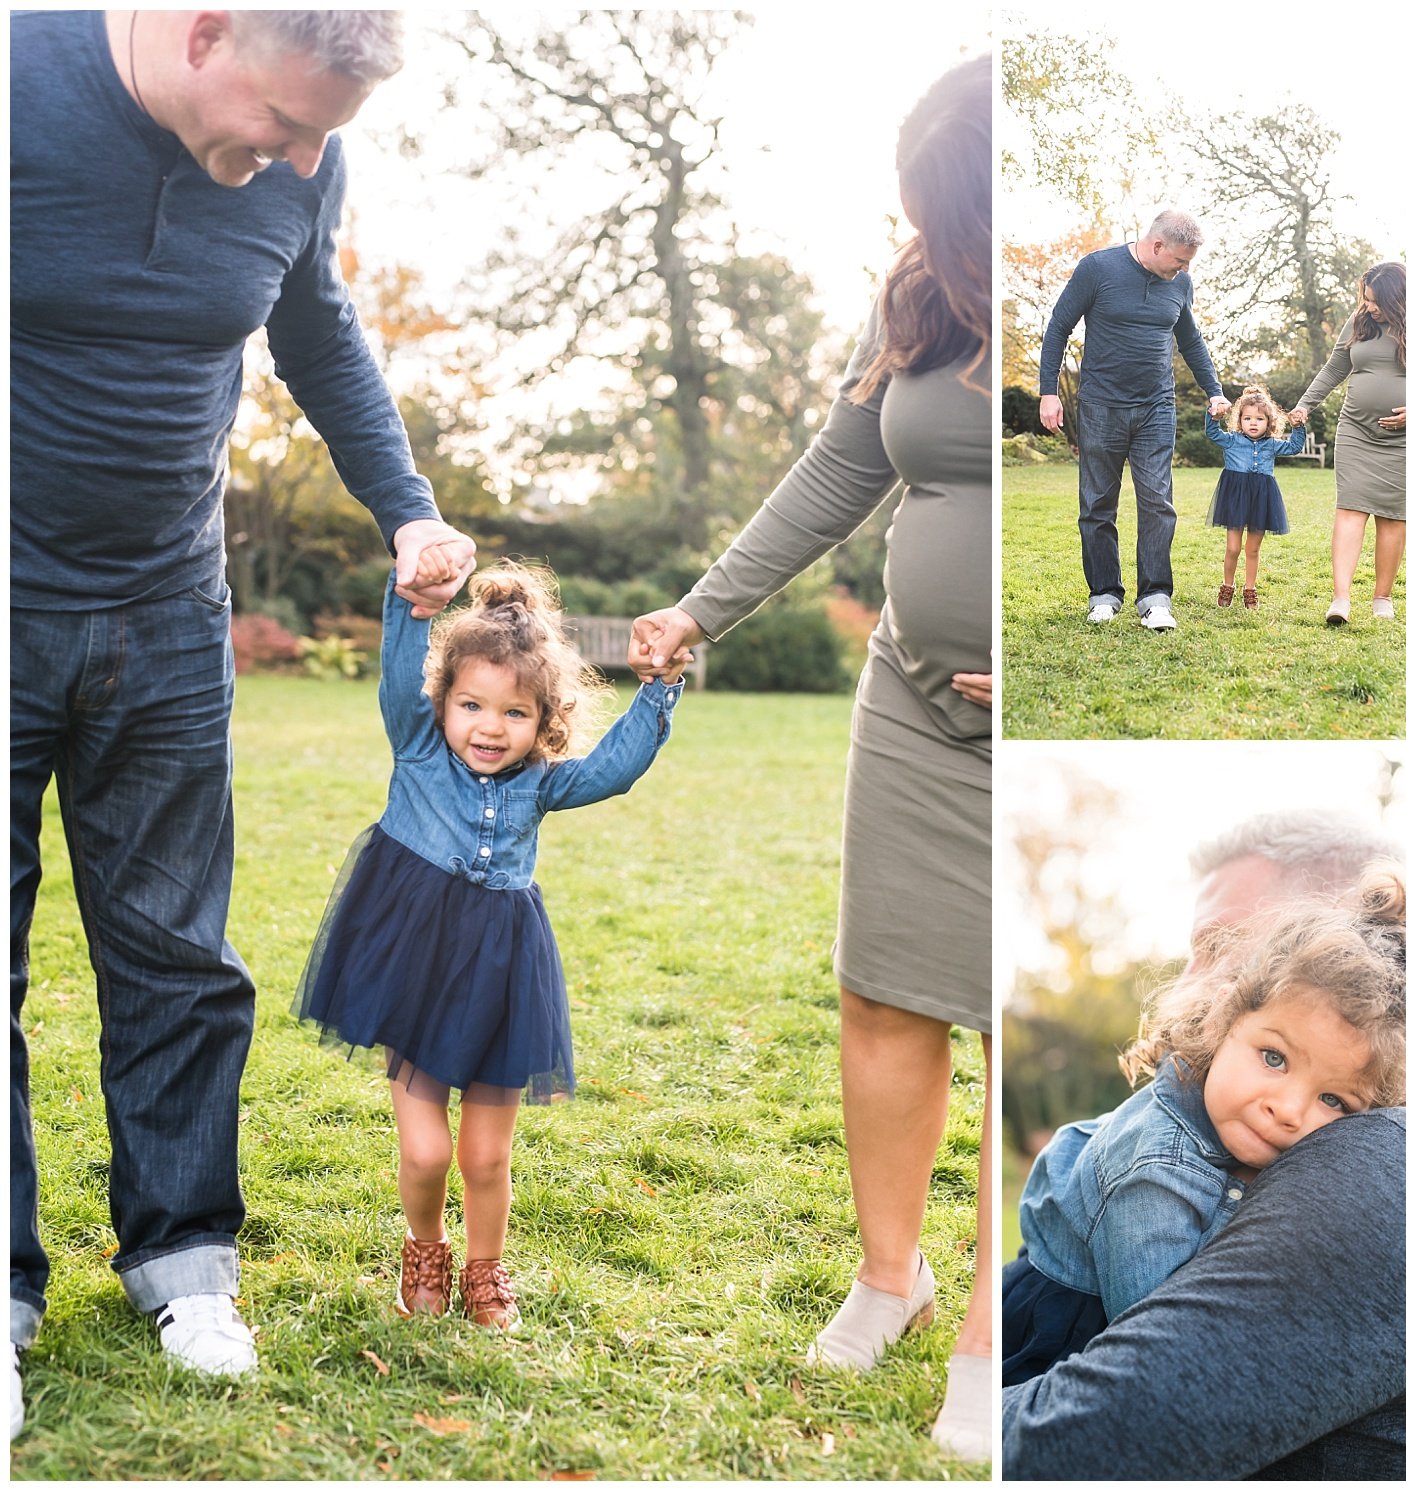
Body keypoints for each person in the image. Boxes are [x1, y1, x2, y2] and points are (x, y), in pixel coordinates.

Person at [10, 9, 477, 1436]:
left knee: (174, 945)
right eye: (286, 123)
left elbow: (317, 324)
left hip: (166, 604)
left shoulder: (299, 158)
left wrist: (407, 504)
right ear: (206, 30)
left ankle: (184, 1260)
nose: (301, 156)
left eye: (326, 137)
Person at [630, 53, 992, 1462]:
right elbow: (844, 467)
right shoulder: (919, 292)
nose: (934, 239)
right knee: (886, 992)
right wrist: (700, 602)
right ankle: (889, 1277)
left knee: (1019, 1014)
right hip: (910, 697)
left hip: (1046, 725)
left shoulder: (1076, 310)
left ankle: (988, 1327)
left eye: (949, 213)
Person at [1001, 810, 1406, 1479]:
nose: (1193, 978)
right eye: (1276, 1057)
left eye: (1222, 942)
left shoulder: (1394, 1172)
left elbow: (1132, 1410)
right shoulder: (1162, 1158)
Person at [293, 560, 684, 1329]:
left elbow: (614, 769)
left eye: (514, 713)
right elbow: (400, 664)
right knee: (429, 1152)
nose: (488, 727)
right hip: (411, 964)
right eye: (471, 704)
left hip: (501, 972)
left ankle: (484, 1270)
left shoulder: (539, 784)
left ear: (544, 723)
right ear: (443, 703)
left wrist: (659, 688)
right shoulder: (416, 747)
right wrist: (412, 600)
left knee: (483, 1157)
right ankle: (426, 1250)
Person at [1039, 210, 1231, 631]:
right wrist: (1048, 391)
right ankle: (1104, 594)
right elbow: (1058, 327)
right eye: (1180, 261)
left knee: (1158, 502)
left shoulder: (1179, 283)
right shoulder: (1098, 268)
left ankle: (1155, 597)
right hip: (1101, 405)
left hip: (1156, 407)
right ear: (1156, 245)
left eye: (1188, 264)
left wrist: (1214, 389)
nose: (1184, 270)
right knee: (1096, 505)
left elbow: (1190, 340)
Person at [1288, 262, 1406, 625]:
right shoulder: (1360, 321)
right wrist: (1305, 404)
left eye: (1376, 300)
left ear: (1399, 299)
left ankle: (1382, 598)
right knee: (1350, 509)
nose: (1369, 306)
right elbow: (1335, 368)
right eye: (1365, 299)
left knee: (1393, 517)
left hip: (1405, 439)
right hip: (1356, 431)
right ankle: (1341, 599)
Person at [1204, 386, 1304, 609]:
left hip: (1261, 498)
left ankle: (1250, 589)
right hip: (1235, 497)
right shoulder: (1231, 440)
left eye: (1259, 418)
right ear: (1240, 420)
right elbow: (1212, 433)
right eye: (1247, 418)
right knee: (1232, 548)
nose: (1253, 422)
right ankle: (1227, 585)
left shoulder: (1271, 445)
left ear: (1269, 422)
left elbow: (1295, 447)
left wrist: (1298, 426)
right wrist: (1213, 416)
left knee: (1252, 549)